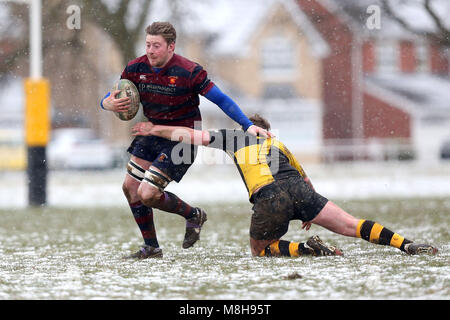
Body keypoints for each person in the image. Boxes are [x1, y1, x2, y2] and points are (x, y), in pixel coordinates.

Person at [131, 114, 439, 257]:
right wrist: (309, 208)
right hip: (301, 191)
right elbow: (305, 178)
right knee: (350, 224)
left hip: (269, 195)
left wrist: (154, 128)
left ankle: (309, 250)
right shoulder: (278, 143)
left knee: (259, 249)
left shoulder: (236, 137)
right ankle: (406, 243)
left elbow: (191, 135)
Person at [100, 22, 271, 259]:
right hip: (152, 132)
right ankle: (151, 248)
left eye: (156, 46)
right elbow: (113, 95)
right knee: (130, 188)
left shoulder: (189, 71)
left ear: (171, 47)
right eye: (148, 44)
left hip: (183, 138)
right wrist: (106, 103)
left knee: (147, 194)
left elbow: (221, 100)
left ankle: (192, 214)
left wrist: (247, 124)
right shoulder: (135, 67)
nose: (150, 50)